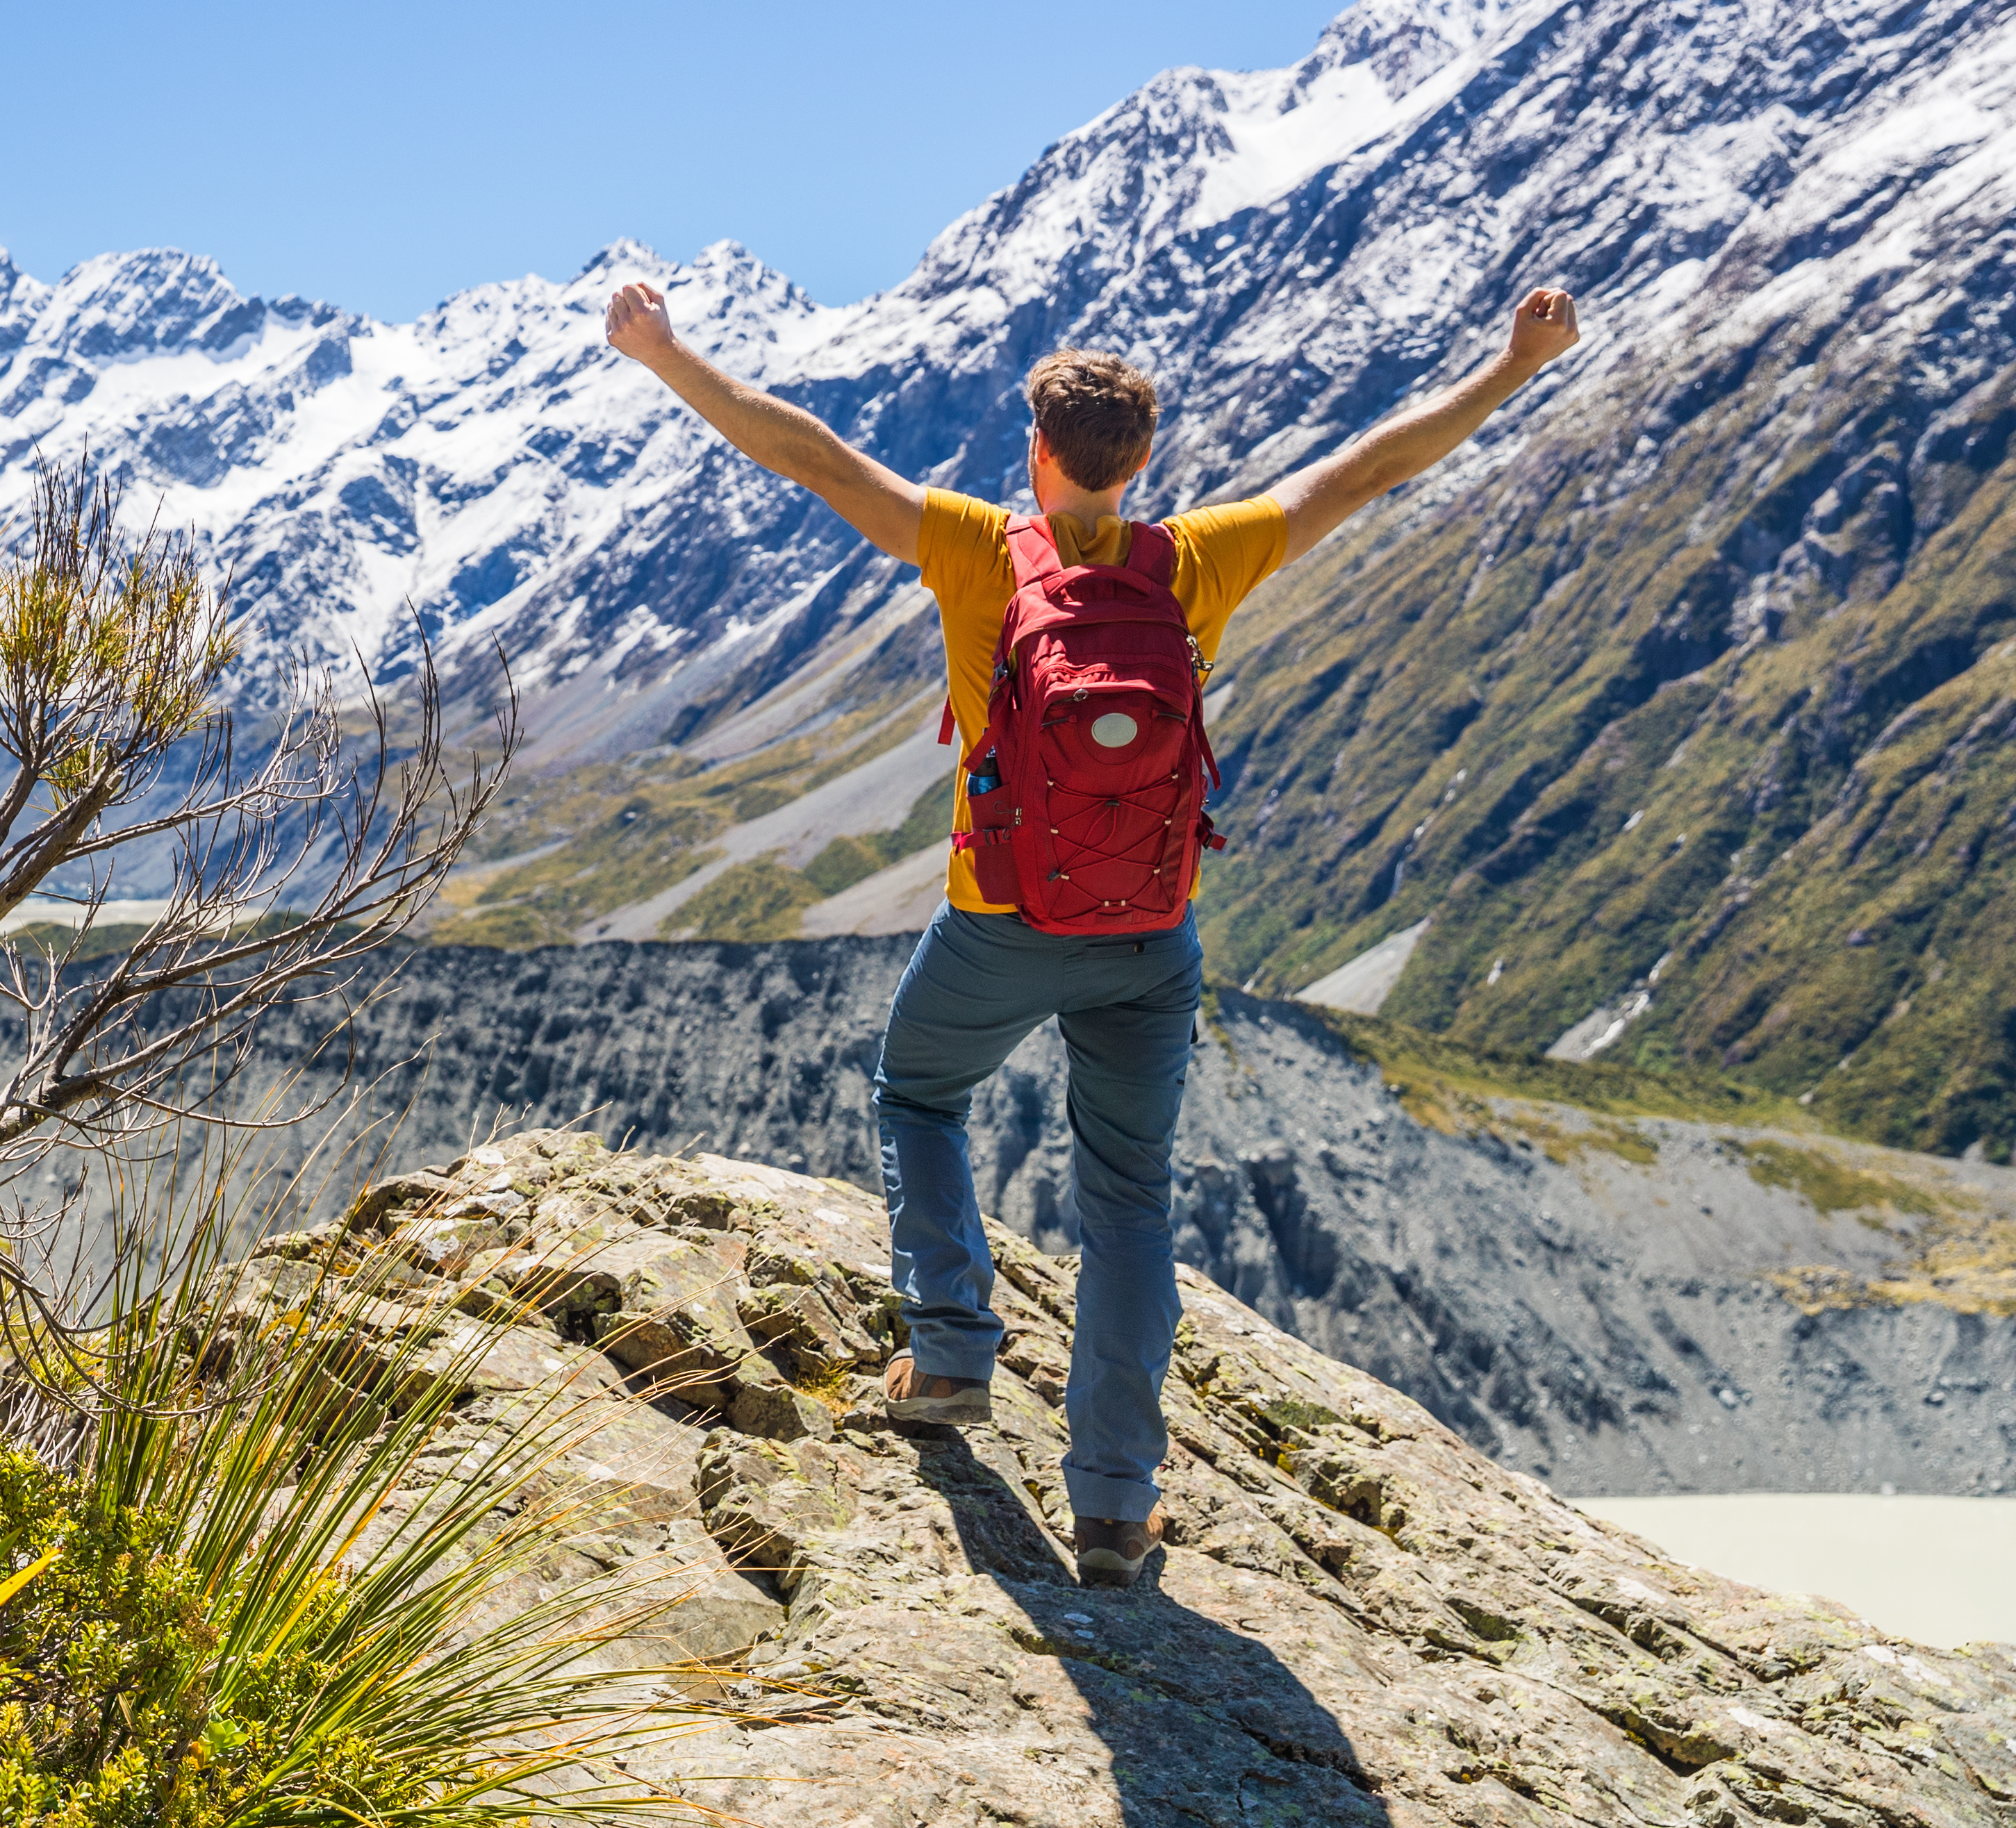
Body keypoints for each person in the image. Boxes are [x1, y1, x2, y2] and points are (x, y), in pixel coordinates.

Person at [601, 279, 1583, 1578]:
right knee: (1129, 1203)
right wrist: (1516, 365)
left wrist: (666, 354)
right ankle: (1116, 1509)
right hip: (1150, 936)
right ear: (1146, 462)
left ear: (1037, 454)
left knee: (917, 1095)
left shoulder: (971, 544)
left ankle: (949, 1356)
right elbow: (1369, 469)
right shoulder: (1199, 557)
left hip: (999, 919)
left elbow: (805, 451)